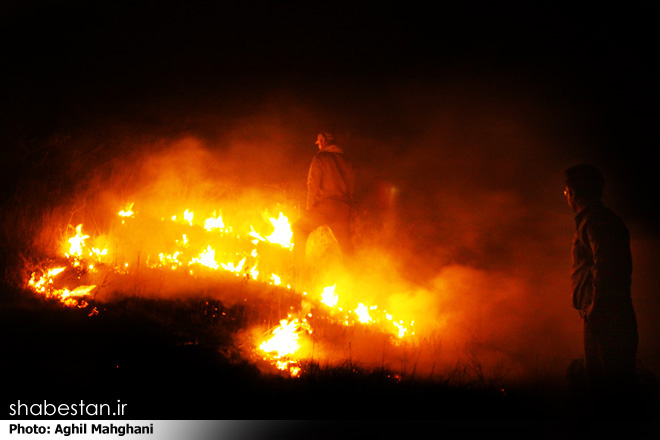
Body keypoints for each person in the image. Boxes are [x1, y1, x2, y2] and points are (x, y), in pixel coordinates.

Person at [564, 164, 638, 417]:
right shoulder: (598, 220)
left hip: (605, 316)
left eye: (566, 192)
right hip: (605, 314)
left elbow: (607, 266)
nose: (566, 197)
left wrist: (595, 306)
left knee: (607, 391)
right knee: (609, 389)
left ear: (573, 192)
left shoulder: (595, 221)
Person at [292, 132, 355, 262]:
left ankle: (298, 272)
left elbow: (313, 184)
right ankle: (356, 278)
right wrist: (348, 207)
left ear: (323, 141)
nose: (318, 145)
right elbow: (351, 186)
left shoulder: (320, 158)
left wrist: (310, 207)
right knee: (346, 247)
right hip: (343, 208)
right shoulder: (346, 160)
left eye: (319, 142)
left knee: (299, 228)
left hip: (326, 207)